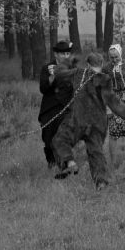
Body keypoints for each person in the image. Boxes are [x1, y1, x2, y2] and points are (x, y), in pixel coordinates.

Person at [52, 52, 125, 189]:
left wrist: (65, 63)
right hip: (98, 122)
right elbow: (112, 100)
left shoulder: (78, 72)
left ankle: (69, 163)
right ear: (102, 64)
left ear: (88, 64)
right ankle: (101, 182)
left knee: (60, 139)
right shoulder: (105, 79)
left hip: (78, 119)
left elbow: (60, 74)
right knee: (96, 151)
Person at [38, 40, 77, 169]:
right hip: (49, 109)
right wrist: (52, 76)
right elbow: (43, 89)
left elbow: (77, 87)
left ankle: (64, 165)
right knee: (48, 140)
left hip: (66, 108)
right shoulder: (47, 68)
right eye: (63, 53)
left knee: (62, 137)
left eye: (67, 53)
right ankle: (52, 162)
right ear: (56, 54)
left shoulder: (72, 68)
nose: (66, 56)